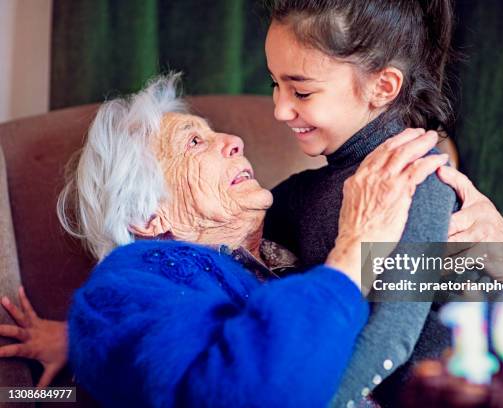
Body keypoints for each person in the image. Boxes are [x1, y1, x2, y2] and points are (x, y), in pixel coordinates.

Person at [0, 75, 449, 407]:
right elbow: (243, 392)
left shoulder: (294, 219)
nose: (233, 140)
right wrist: (353, 252)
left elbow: (435, 287)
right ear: (148, 214)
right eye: (194, 142)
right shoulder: (124, 288)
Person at [261, 1, 503, 405]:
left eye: (301, 90)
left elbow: (393, 337)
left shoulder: (420, 180)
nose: (280, 109)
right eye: (274, 84)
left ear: (383, 87)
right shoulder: (298, 194)